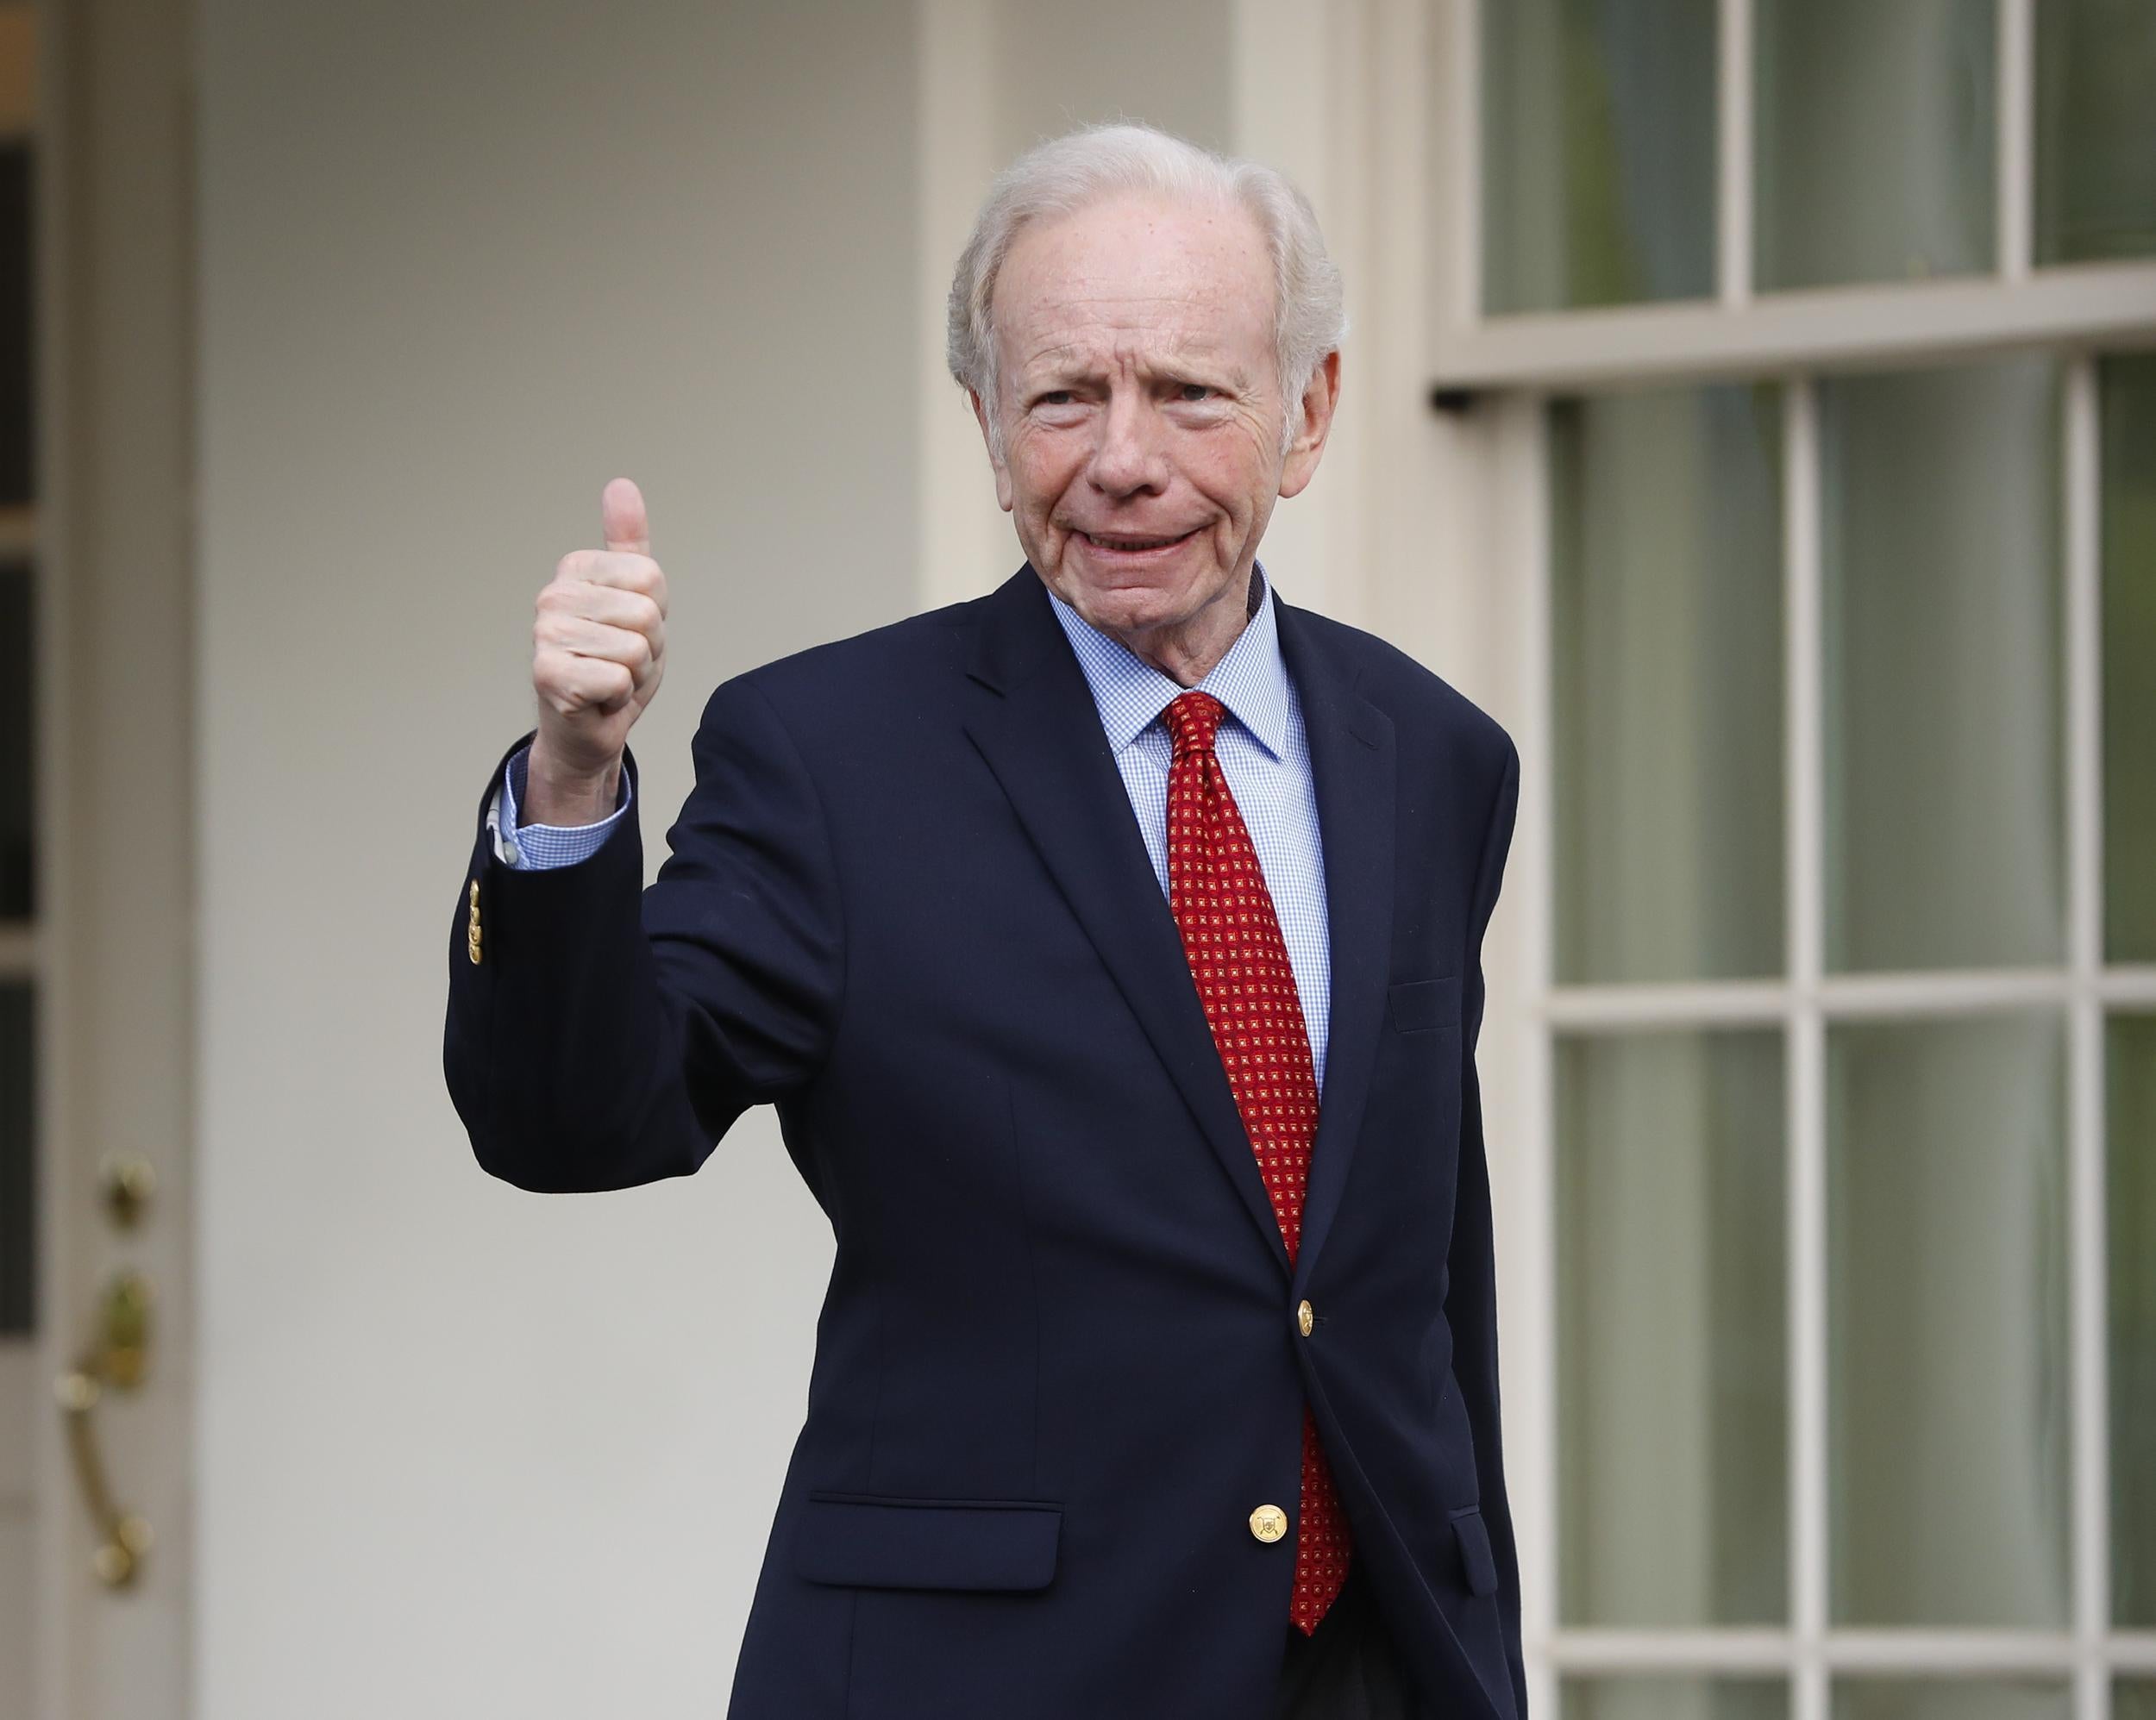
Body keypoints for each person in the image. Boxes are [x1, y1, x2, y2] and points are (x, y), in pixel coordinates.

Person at [444, 122, 1523, 1720]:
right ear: (986, 420)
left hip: (1373, 1665)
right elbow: (578, 1116)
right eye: (1064, 396)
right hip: (987, 1674)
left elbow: (1422, 1271)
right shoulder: (829, 757)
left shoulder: (1431, 755)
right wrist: (574, 772)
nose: (1123, 457)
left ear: (1308, 412)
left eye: (1190, 392)